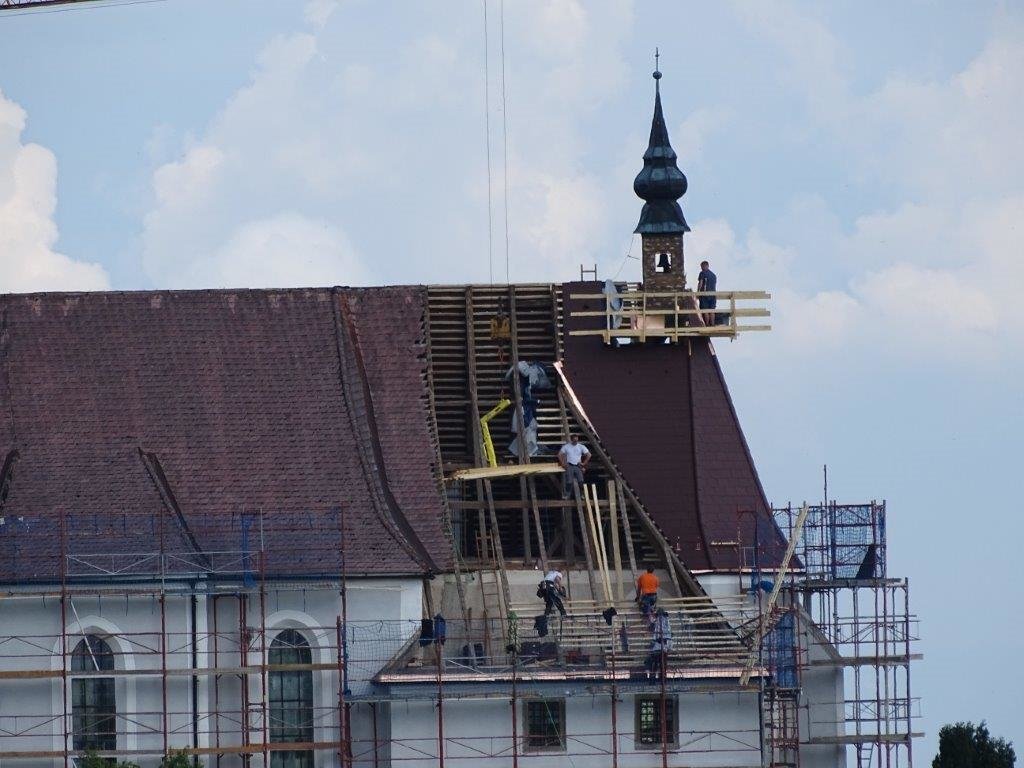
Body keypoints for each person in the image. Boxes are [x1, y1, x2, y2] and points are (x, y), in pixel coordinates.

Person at [558, 434, 591, 499]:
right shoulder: (566, 446)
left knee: (581, 481)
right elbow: (559, 454)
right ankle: (566, 495)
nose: (576, 441)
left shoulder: (581, 446)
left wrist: (584, 463)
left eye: (577, 440)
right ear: (571, 440)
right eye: (574, 440)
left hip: (578, 465)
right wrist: (563, 464)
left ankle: (582, 494)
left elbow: (589, 455)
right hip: (569, 465)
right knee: (569, 482)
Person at [644, 608, 672, 681]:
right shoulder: (667, 621)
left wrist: (650, 614)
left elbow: (652, 625)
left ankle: (653, 679)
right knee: (662, 665)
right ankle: (662, 679)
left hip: (658, 647)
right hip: (663, 647)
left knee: (655, 664)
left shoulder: (660, 621)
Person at [697, 260, 717, 326]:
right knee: (712, 310)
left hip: (704, 295)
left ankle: (707, 324)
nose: (701, 268)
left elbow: (701, 283)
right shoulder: (713, 275)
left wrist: (698, 292)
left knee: (705, 310)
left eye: (702, 266)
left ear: (705, 266)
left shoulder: (702, 273)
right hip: (713, 295)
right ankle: (713, 324)